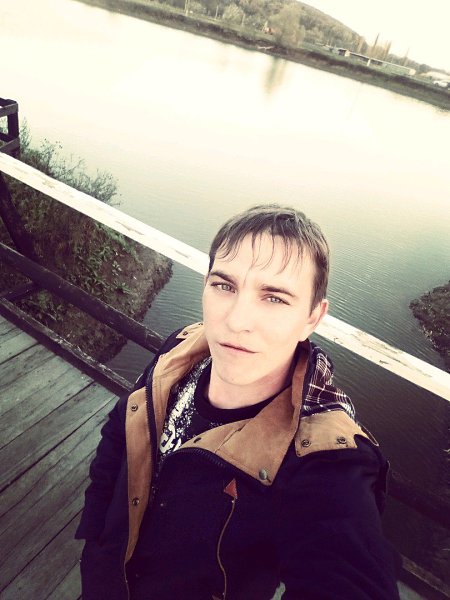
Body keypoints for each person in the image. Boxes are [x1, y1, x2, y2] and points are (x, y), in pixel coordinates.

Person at [76, 204, 400, 600]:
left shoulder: (324, 460)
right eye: (224, 286)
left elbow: (348, 570)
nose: (236, 320)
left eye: (274, 298)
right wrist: (95, 537)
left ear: (312, 318)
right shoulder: (181, 351)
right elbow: (121, 430)